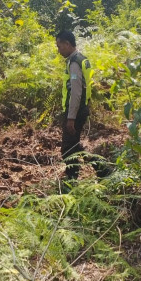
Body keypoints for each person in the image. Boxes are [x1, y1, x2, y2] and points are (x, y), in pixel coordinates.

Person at [56, 30, 110, 183]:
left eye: (59, 46)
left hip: (76, 110)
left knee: (68, 148)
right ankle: (102, 170)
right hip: (81, 108)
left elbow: (76, 92)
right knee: (73, 145)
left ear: (67, 44)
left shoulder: (74, 63)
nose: (58, 50)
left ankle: (73, 179)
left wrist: (71, 117)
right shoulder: (81, 59)